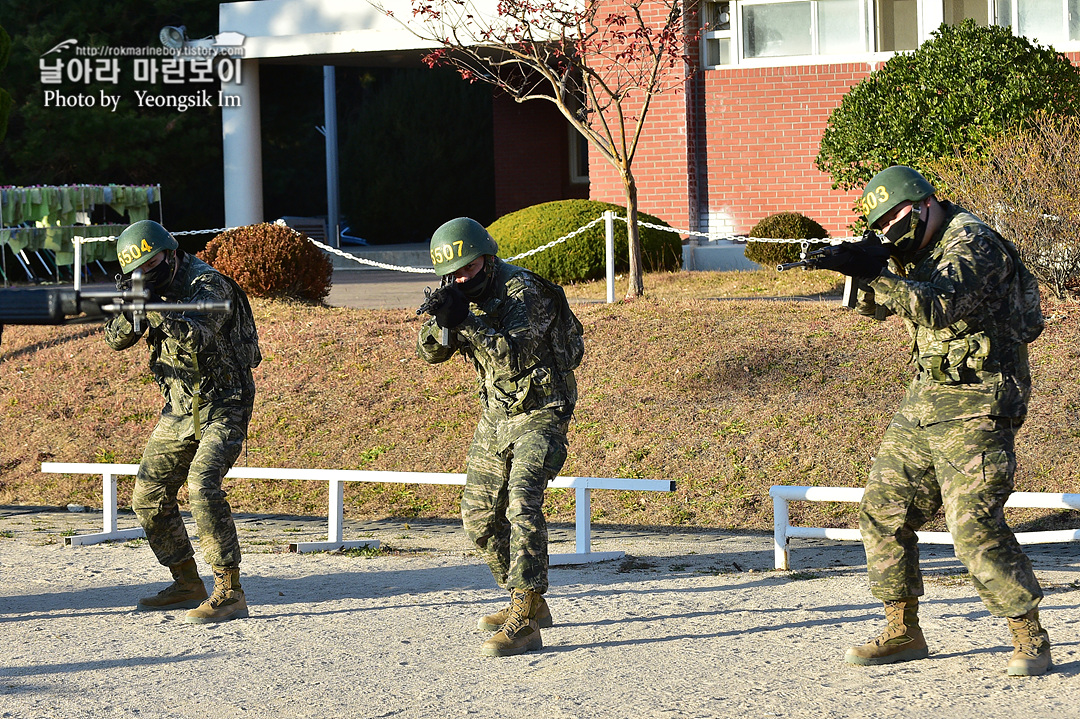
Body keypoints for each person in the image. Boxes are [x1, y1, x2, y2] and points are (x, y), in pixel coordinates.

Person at [815, 165, 1051, 676]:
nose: (893, 226)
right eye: (884, 221)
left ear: (925, 203)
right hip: (926, 397)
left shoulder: (975, 244)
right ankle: (903, 631)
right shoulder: (915, 249)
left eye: (899, 214)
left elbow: (940, 306)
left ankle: (1029, 636)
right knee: (883, 510)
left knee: (972, 524)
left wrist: (878, 274)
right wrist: (858, 268)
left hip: (981, 399)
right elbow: (881, 312)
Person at [416, 217, 583, 657]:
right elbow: (429, 353)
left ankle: (525, 619)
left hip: (542, 409)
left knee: (522, 498)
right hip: (497, 414)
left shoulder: (524, 291)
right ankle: (526, 598)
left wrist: (466, 323)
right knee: (477, 517)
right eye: (453, 274)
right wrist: (444, 320)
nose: (461, 278)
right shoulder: (458, 292)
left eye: (469, 269)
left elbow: (513, 358)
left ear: (487, 258)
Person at [104, 219, 261, 624]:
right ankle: (187, 581)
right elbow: (116, 339)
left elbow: (197, 335)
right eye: (138, 270)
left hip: (225, 403)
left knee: (202, 484)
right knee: (148, 494)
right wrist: (131, 307)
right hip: (180, 407)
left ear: (171, 253)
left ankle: (229, 591)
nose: (147, 272)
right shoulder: (149, 286)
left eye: (152, 263)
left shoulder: (208, 285)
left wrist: (153, 308)